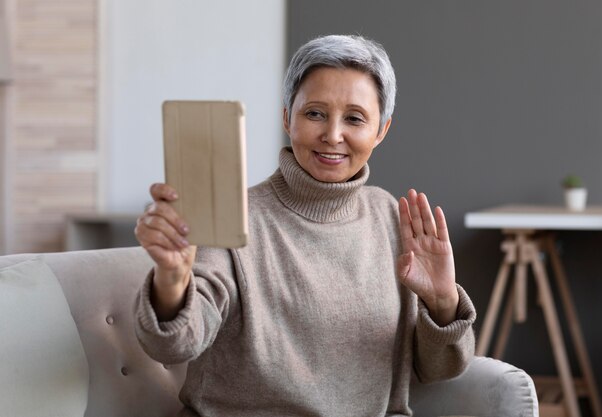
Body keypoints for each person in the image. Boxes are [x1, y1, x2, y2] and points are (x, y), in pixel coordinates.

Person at [134, 34, 476, 417]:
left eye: (354, 118)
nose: (332, 135)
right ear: (286, 118)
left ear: (381, 130)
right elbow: (174, 345)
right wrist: (172, 278)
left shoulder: (391, 218)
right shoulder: (237, 215)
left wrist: (442, 302)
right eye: (314, 113)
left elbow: (439, 369)